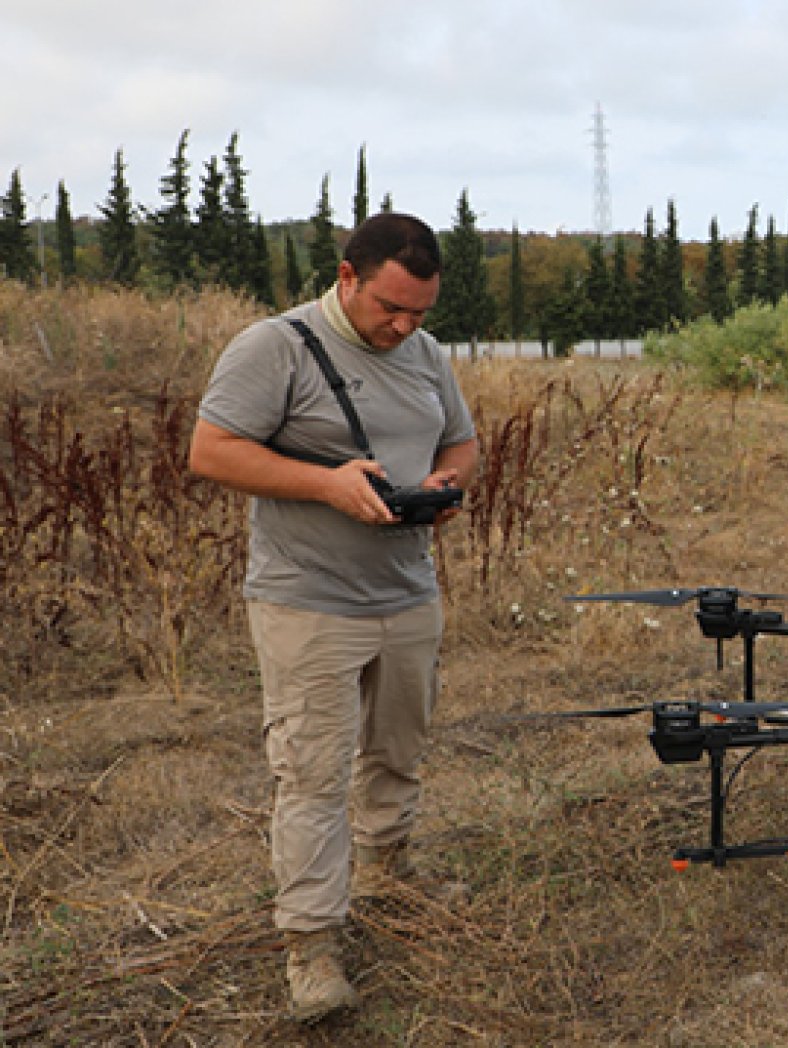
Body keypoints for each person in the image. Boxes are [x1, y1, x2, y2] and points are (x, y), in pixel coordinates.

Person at [188, 212, 479, 1024]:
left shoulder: (422, 353)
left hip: (407, 591)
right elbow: (209, 451)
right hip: (308, 601)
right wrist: (327, 483)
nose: (404, 326)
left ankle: (392, 862)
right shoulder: (272, 347)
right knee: (312, 772)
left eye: (421, 311)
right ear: (347, 278)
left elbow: (463, 442)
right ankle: (312, 945)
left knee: (400, 745)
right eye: (391, 307)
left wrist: (447, 487)